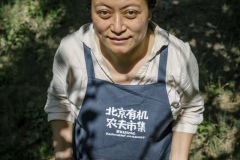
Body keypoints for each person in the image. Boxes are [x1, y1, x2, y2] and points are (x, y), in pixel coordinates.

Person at [44, 0, 204, 159]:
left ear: (150, 11)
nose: (117, 27)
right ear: (91, 11)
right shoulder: (72, 51)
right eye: (104, 13)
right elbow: (60, 100)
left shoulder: (178, 58)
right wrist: (64, 155)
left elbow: (189, 108)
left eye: (131, 13)